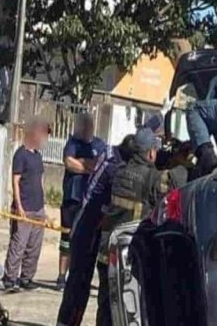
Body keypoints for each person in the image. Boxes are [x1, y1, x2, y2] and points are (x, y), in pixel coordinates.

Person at [56, 115, 163, 326]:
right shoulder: (116, 162)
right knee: (79, 282)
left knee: (102, 291)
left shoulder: (120, 160)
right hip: (88, 221)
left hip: (101, 226)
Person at [95, 127, 189, 326]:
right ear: (152, 153)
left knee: (106, 307)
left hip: (107, 253)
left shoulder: (119, 171)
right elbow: (176, 180)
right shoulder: (150, 179)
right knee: (132, 309)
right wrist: (183, 161)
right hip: (130, 257)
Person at [58, 113, 106, 290]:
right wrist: (88, 167)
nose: (85, 128)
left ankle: (78, 276)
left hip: (90, 201)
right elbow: (69, 163)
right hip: (72, 198)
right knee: (66, 239)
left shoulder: (99, 145)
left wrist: (83, 165)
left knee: (86, 241)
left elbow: (100, 166)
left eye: (88, 125)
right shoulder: (73, 143)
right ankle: (61, 276)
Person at [3, 116, 50, 292]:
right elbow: (15, 181)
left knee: (34, 246)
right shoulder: (20, 155)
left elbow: (41, 181)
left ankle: (27, 277)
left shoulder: (38, 157)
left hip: (38, 208)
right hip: (24, 208)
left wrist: (44, 207)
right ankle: (10, 278)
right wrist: (19, 206)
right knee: (18, 244)